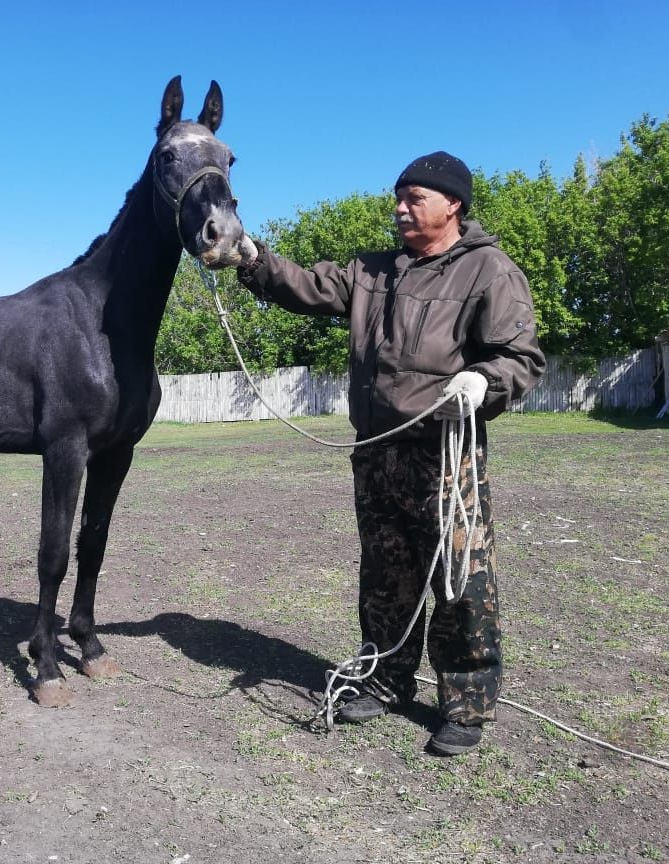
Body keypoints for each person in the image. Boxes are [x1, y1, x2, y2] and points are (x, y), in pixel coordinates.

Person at [236, 151, 545, 756]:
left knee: (459, 579)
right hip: (376, 452)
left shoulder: (489, 271)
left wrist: (487, 381)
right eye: (398, 198)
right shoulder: (370, 271)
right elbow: (307, 285)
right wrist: (252, 257)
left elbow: (521, 356)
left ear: (452, 204)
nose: (401, 209)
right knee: (385, 577)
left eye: (415, 199)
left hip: (444, 454)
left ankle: (467, 703)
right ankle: (385, 680)